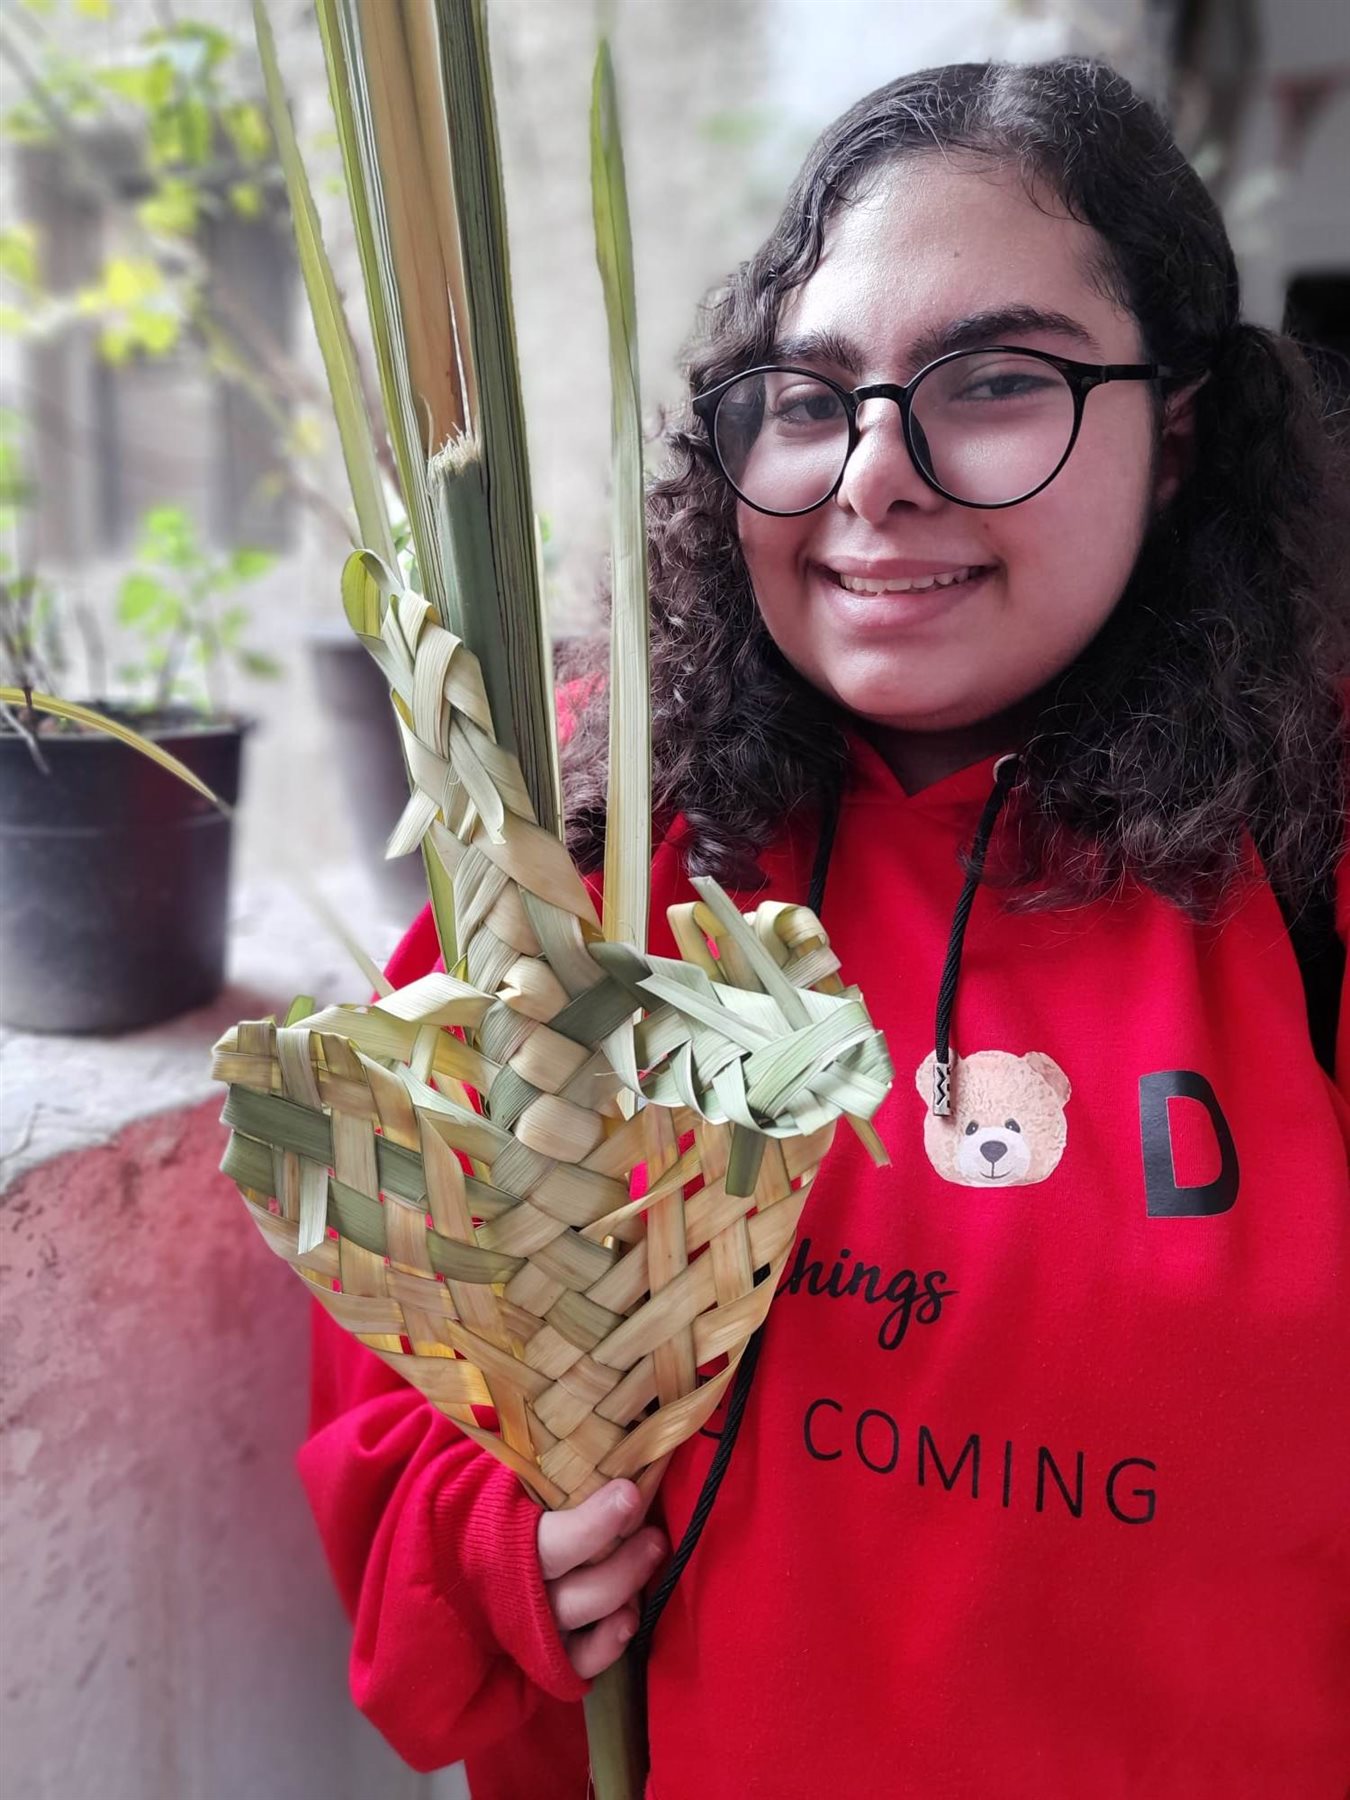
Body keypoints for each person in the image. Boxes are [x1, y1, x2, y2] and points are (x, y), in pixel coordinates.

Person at [298, 57, 1350, 1799]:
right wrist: (502, 1549)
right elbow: (396, 1375)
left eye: (992, 382)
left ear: (1174, 438)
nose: (872, 475)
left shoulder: (1310, 870)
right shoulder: (586, 874)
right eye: (807, 395)